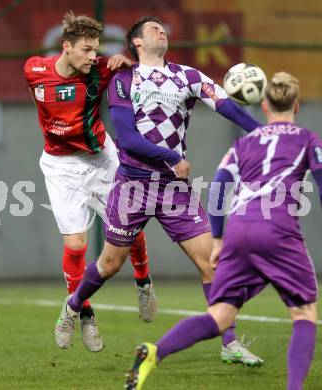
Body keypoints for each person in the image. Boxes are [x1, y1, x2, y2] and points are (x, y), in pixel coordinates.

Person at [55, 16, 263, 365]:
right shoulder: (123, 79)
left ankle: (229, 341)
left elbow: (229, 108)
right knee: (108, 264)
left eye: (163, 28)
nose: (161, 31)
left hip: (174, 190)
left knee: (211, 263)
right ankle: (73, 306)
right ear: (136, 42)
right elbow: (127, 138)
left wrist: (264, 133)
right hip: (133, 184)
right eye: (153, 29)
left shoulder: (189, 76)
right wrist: (170, 156)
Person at [125, 71, 321, 390]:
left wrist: (217, 238)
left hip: (238, 230)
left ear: (265, 107)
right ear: (296, 106)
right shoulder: (308, 139)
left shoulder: (243, 143)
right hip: (278, 231)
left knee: (220, 316)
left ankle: (154, 352)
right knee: (303, 313)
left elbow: (218, 188)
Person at [23, 12, 157, 352]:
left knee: (131, 230)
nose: (91, 56)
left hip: (101, 159)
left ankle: (143, 283)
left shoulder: (102, 68)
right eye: (85, 49)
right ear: (66, 47)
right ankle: (84, 315)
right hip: (60, 166)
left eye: (95, 48)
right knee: (77, 245)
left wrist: (123, 61)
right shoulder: (35, 70)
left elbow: (135, 71)